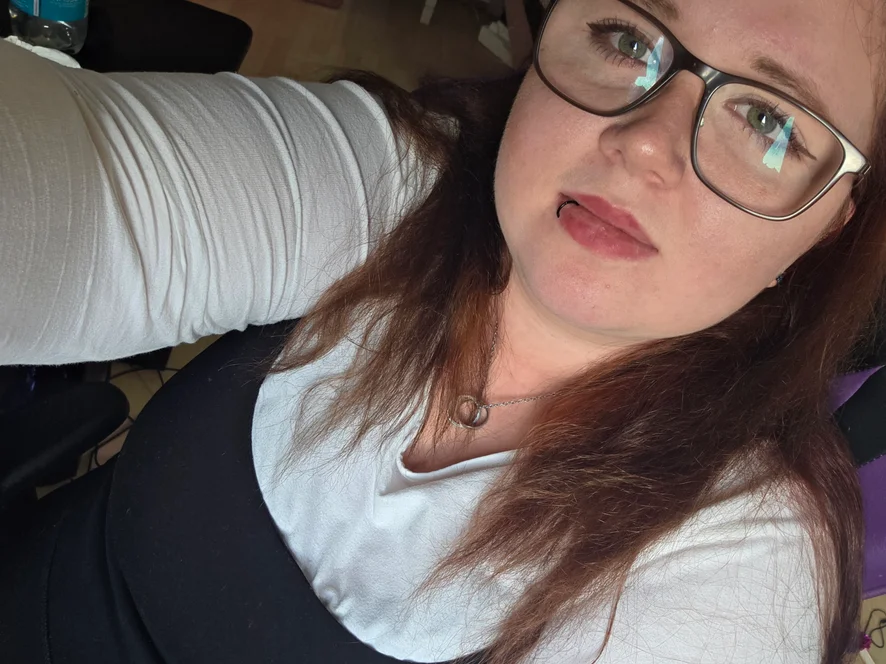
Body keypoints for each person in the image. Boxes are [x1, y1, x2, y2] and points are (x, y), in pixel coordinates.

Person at [0, 0, 884, 662]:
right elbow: (85, 186)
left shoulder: (742, 564)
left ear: (830, 222)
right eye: (626, 35)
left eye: (768, 120)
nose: (646, 142)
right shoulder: (395, 184)